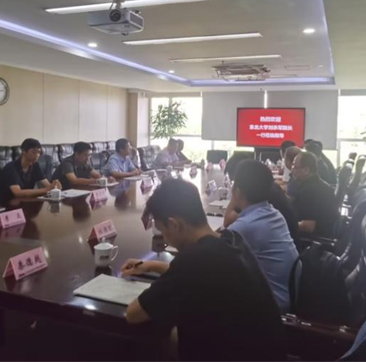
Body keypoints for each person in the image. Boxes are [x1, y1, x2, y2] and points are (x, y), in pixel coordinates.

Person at [121, 179, 285, 362]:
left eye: (162, 231)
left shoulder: (193, 261)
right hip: (264, 350)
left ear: (174, 224)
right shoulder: (230, 238)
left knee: (153, 342)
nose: (165, 239)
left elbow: (133, 314)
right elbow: (200, 274)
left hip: (229, 354)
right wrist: (151, 265)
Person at [225, 160, 298, 311]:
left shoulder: (245, 227)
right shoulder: (274, 213)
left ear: (237, 191)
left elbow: (213, 257)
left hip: (272, 306)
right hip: (288, 295)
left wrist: (233, 197)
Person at [223, 152, 299, 241]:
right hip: (293, 241)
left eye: (235, 181)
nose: (234, 184)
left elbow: (228, 222)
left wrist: (235, 193)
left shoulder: (256, 197)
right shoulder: (267, 189)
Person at [290, 152, 340, 238]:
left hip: (313, 239)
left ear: (306, 170)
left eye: (294, 166)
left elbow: (308, 226)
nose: (292, 170)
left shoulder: (311, 191)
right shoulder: (317, 184)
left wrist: (284, 225)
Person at [0, 138, 61, 205]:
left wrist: (54, 186)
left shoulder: (35, 165)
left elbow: (47, 184)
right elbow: (18, 193)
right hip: (7, 204)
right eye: (33, 152)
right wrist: (46, 189)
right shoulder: (11, 167)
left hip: (26, 201)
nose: (37, 155)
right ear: (24, 151)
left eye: (39, 152)